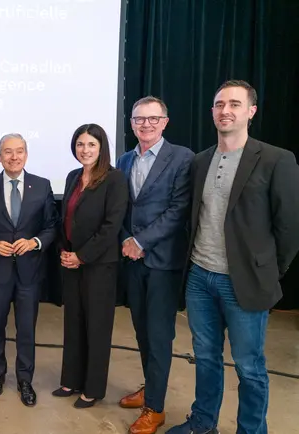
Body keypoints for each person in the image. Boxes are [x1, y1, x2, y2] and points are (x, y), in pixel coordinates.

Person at [167, 81, 299, 434]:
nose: (225, 110)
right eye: (219, 104)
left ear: (251, 111)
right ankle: (203, 422)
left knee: (249, 366)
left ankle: (252, 430)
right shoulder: (201, 160)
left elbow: (289, 229)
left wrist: (267, 271)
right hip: (199, 278)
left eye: (235, 104)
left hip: (244, 282)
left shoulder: (276, 159)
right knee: (206, 358)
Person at [116, 97, 194, 433]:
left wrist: (141, 242)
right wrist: (124, 240)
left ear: (165, 121)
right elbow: (118, 207)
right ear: (131, 123)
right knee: (142, 330)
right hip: (132, 261)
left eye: (153, 119)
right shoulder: (123, 160)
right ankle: (152, 386)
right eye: (139, 119)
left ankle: (156, 408)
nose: (145, 125)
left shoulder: (182, 158)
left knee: (159, 335)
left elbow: (178, 211)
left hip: (163, 262)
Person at [0, 133, 58, 407]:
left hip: (30, 273)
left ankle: (25, 380)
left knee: (26, 329)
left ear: (26, 155)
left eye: (19, 151)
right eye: (8, 152)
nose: (14, 157)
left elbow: (51, 226)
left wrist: (35, 242)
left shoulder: (42, 186)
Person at [53, 123, 128, 408]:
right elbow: (65, 219)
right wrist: (64, 250)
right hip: (70, 262)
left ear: (102, 148)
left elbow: (111, 226)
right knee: (73, 323)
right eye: (80, 144)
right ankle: (71, 379)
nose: (85, 150)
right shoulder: (74, 176)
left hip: (98, 265)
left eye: (91, 145)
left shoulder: (114, 179)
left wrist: (82, 256)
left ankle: (93, 388)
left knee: (96, 327)